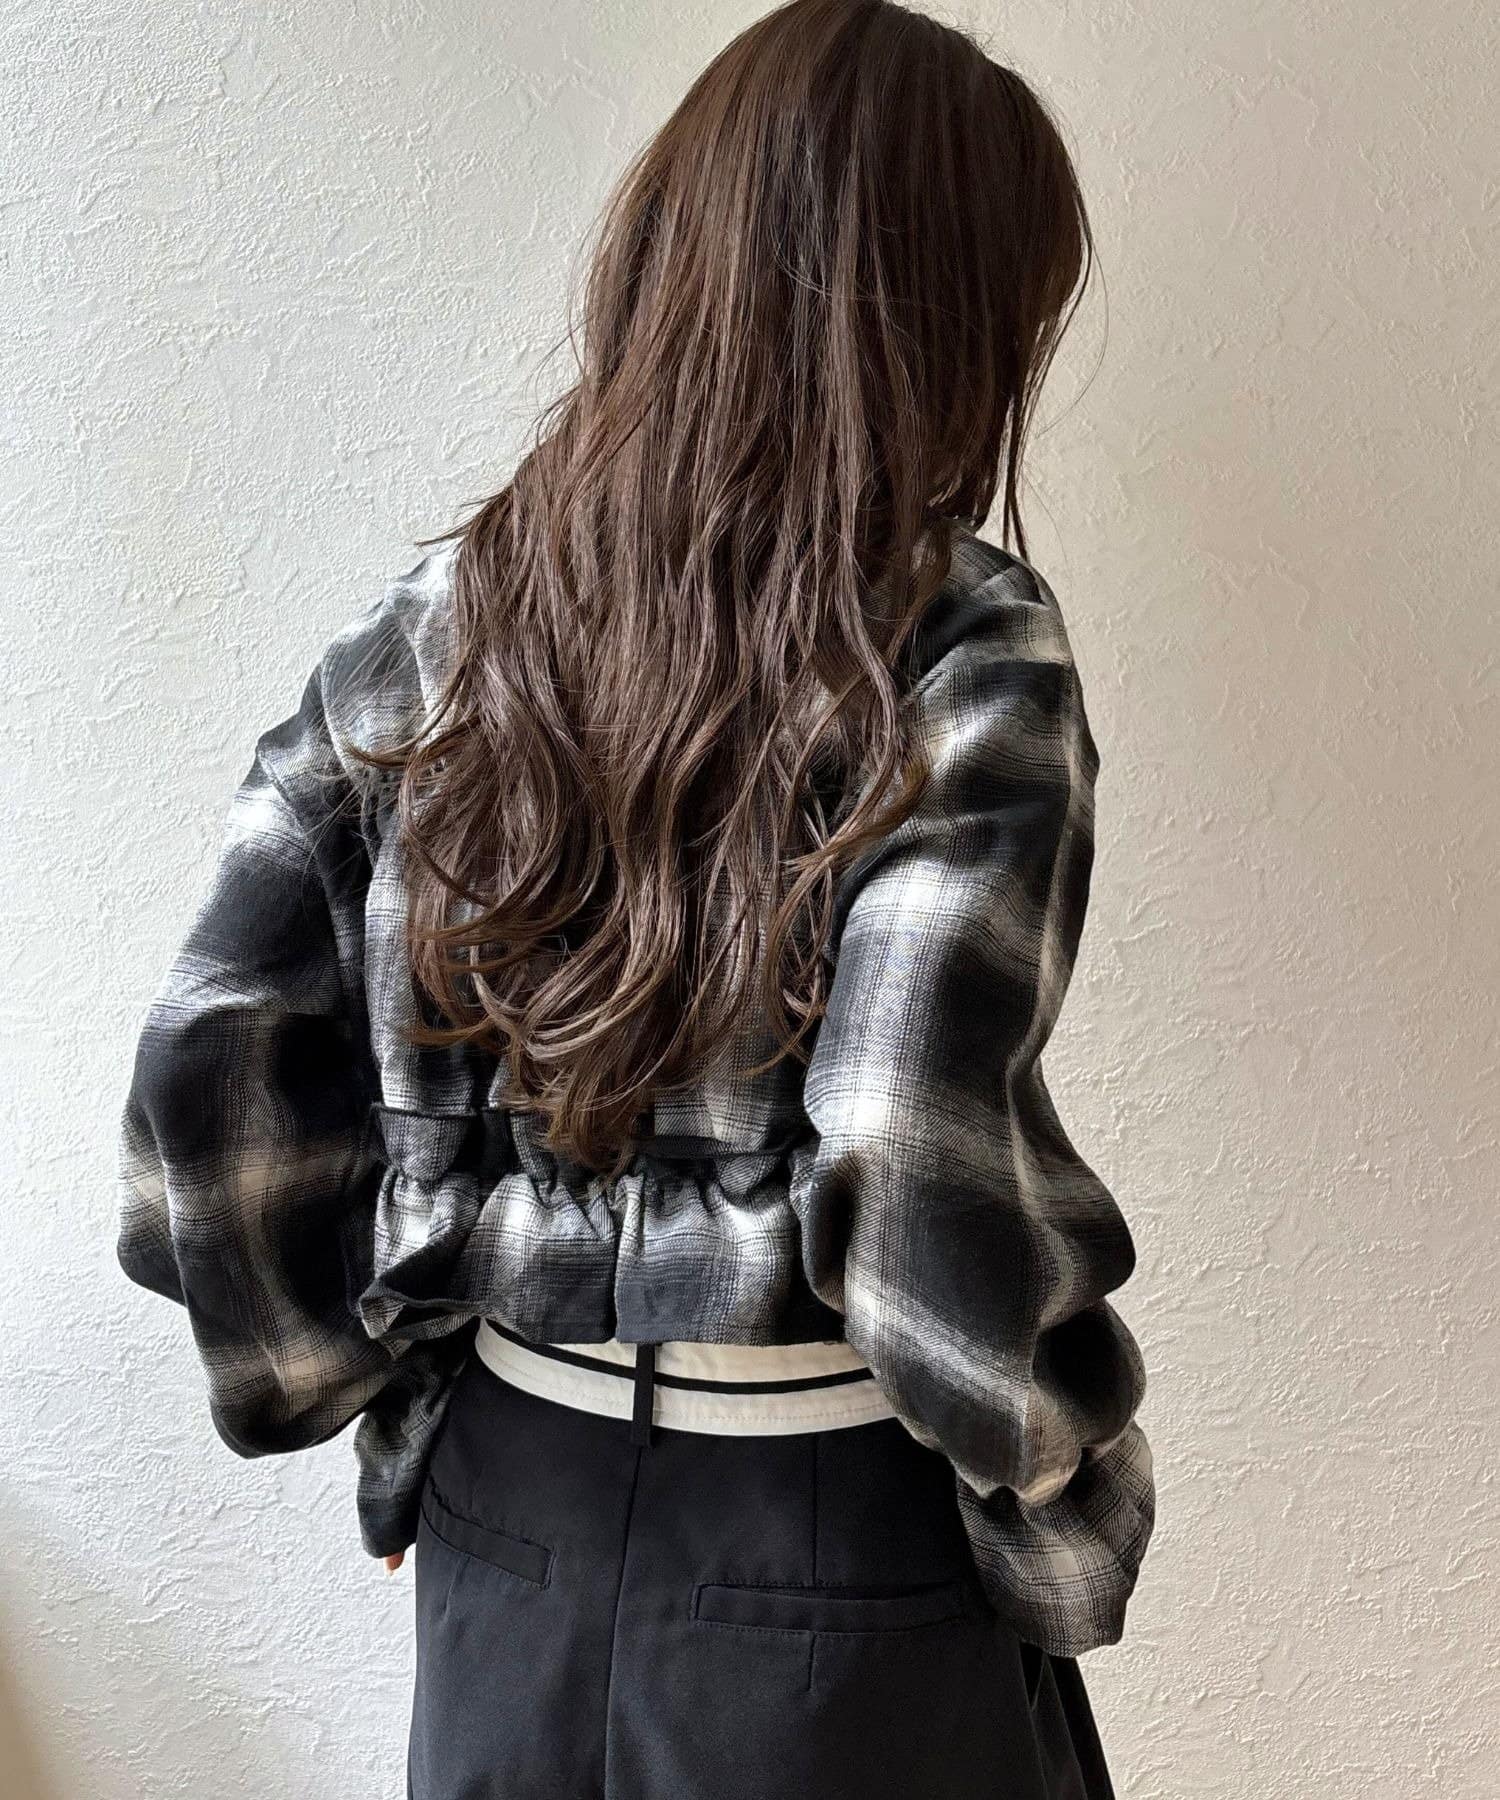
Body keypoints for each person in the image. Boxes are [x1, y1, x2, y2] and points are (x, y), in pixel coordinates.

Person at [115, 2, 1155, 1794]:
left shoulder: (450, 623)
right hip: (830, 1538)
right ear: (955, 321)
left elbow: (208, 1060)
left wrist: (348, 1392)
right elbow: (907, 1139)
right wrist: (1064, 1484)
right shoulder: (964, 653)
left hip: (508, 1507)